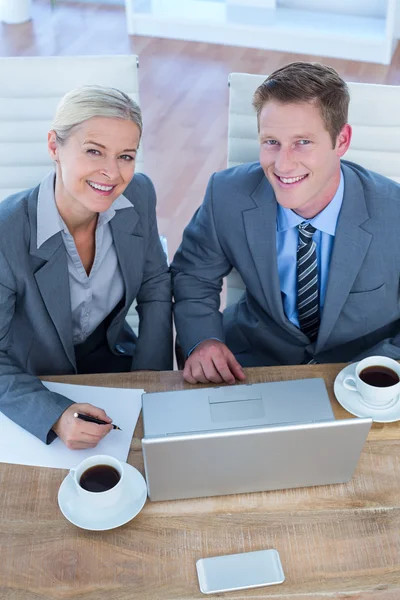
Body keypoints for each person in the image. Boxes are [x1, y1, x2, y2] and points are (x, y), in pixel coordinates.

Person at [172, 61, 400, 384]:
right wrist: (204, 339)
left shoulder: (394, 212)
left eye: (302, 142)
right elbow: (192, 275)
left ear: (342, 141)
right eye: (271, 142)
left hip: (359, 377)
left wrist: (384, 368)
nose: (282, 163)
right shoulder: (226, 195)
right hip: (251, 365)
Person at [0, 85, 172, 447]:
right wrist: (53, 414)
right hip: (33, 380)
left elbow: (155, 284)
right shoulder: (6, 233)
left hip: (113, 360)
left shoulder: (138, 194)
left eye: (126, 156)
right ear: (54, 147)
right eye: (94, 151)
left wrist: (150, 379)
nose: (112, 173)